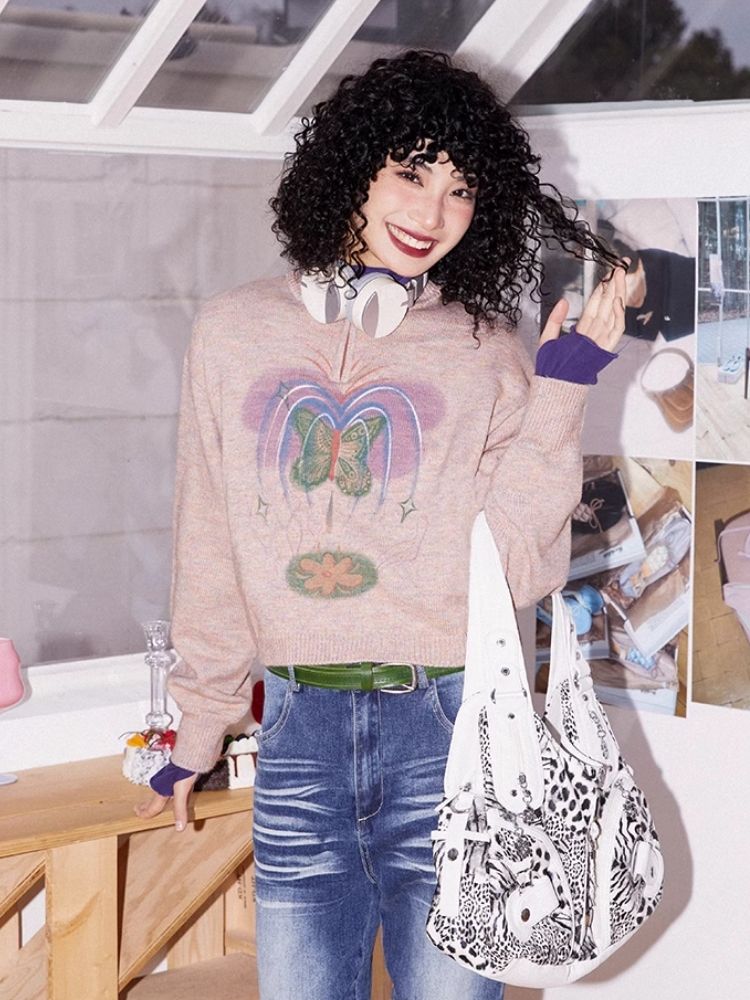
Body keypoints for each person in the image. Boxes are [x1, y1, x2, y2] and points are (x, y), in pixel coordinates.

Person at [136, 49, 626, 1000]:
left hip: (447, 731)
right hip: (297, 735)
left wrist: (562, 388)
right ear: (351, 169)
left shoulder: (485, 350)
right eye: (411, 173)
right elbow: (210, 538)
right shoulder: (231, 331)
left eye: (461, 190)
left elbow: (516, 568)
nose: (433, 213)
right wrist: (198, 725)